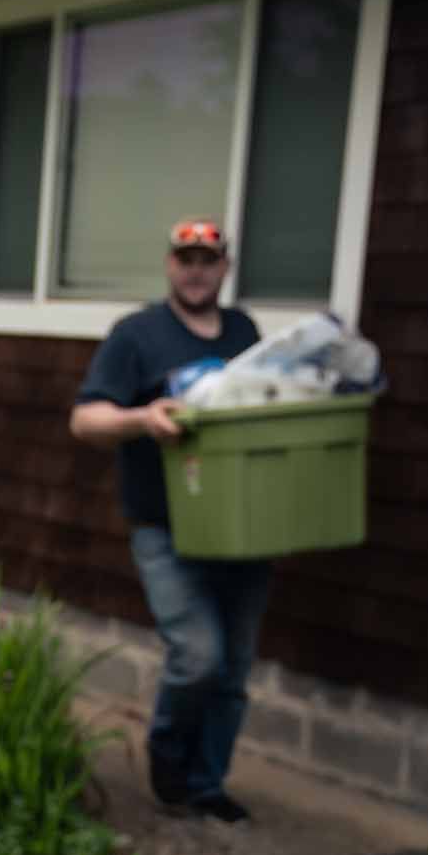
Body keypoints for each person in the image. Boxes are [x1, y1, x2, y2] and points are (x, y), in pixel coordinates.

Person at [69, 217, 271, 824]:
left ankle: (206, 784)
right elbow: (86, 420)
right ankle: (168, 754)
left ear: (225, 268)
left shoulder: (244, 332)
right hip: (166, 527)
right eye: (186, 258)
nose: (196, 269)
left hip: (243, 528)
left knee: (233, 672)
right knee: (198, 655)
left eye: (208, 259)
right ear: (169, 265)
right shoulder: (138, 335)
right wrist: (144, 419)